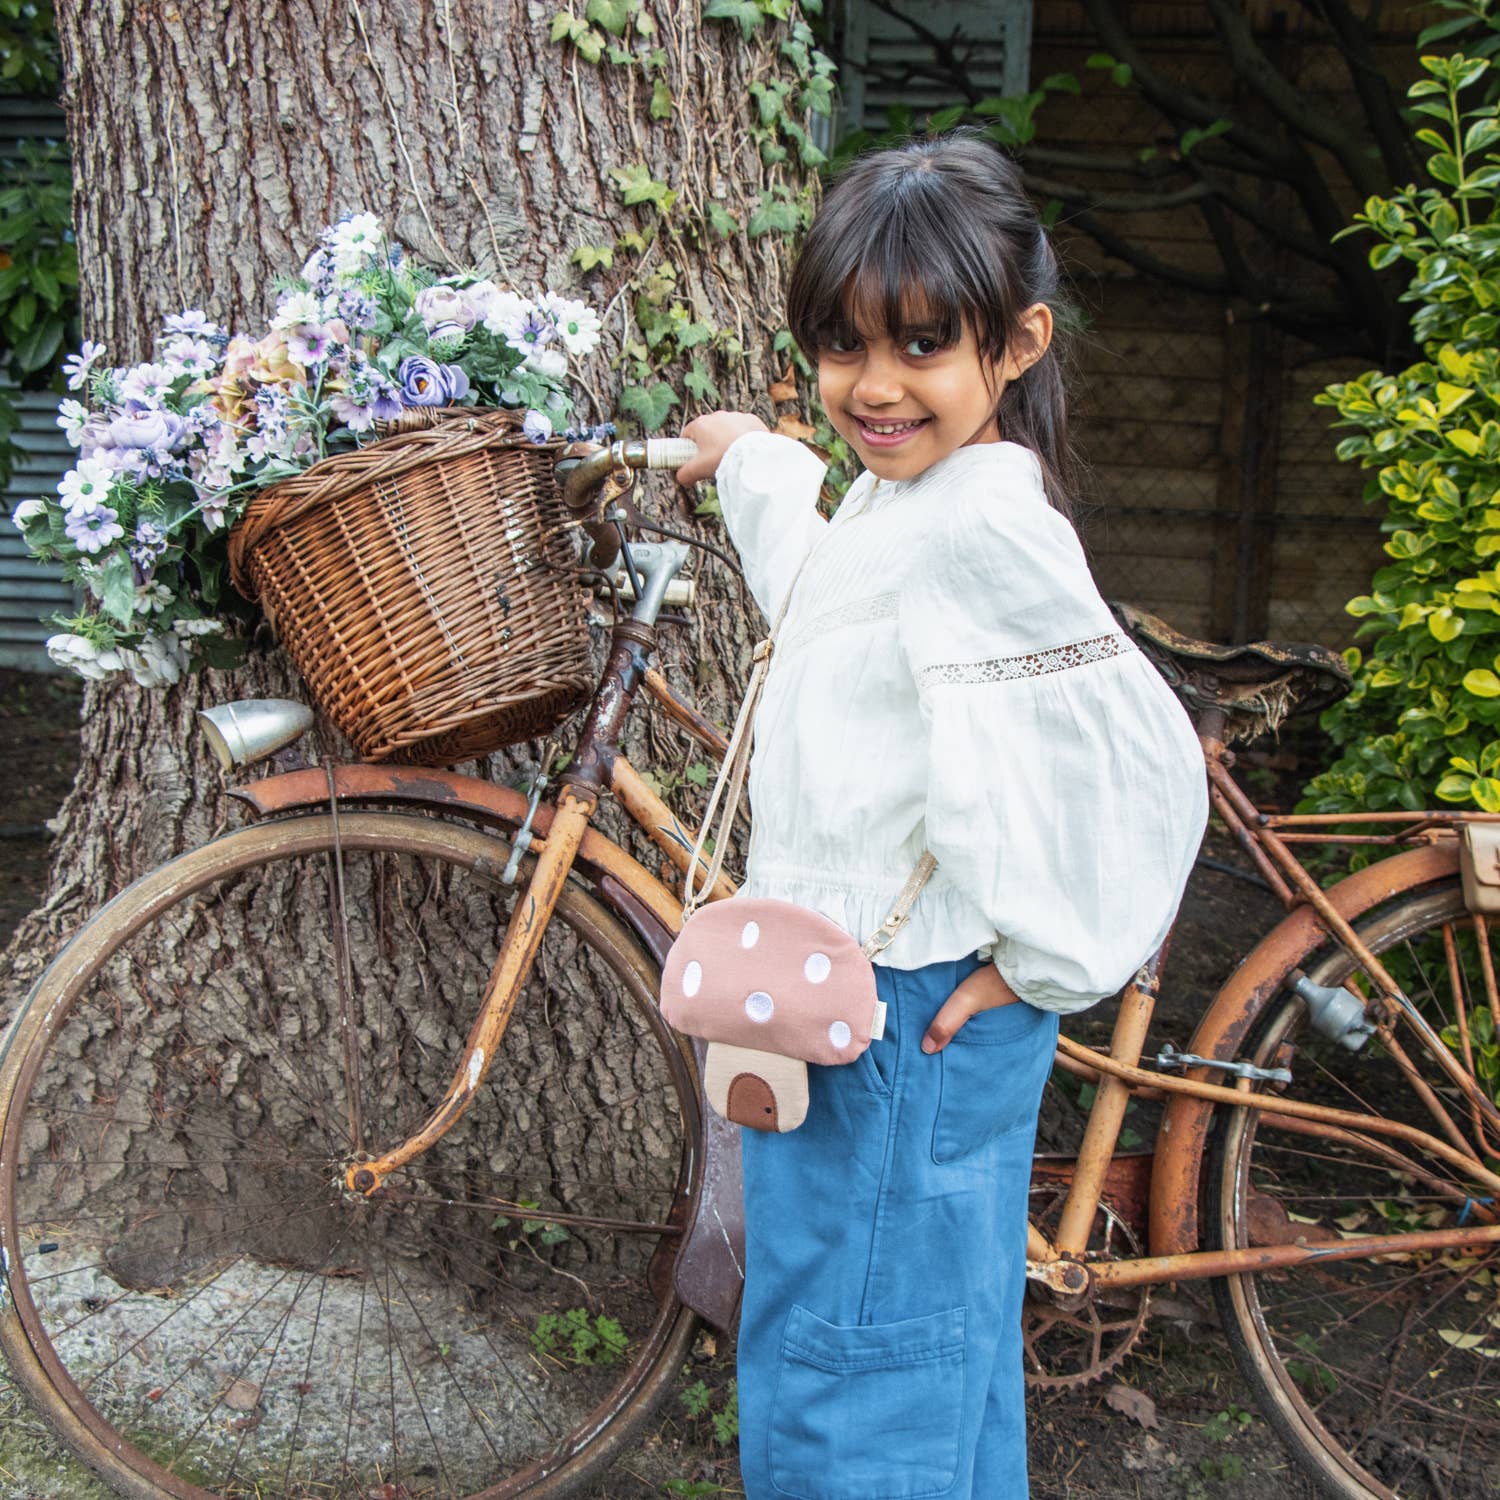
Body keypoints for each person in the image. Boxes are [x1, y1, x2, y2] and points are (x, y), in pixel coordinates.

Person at [672, 126, 1208, 1500]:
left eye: (921, 348)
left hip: (905, 1013)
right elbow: (830, 587)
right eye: (844, 346)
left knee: (851, 1358)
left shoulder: (979, 525)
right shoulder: (915, 501)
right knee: (927, 1343)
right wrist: (755, 463)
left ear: (1014, 345)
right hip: (894, 1011)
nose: (873, 385)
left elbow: (1135, 755)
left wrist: (1045, 960)